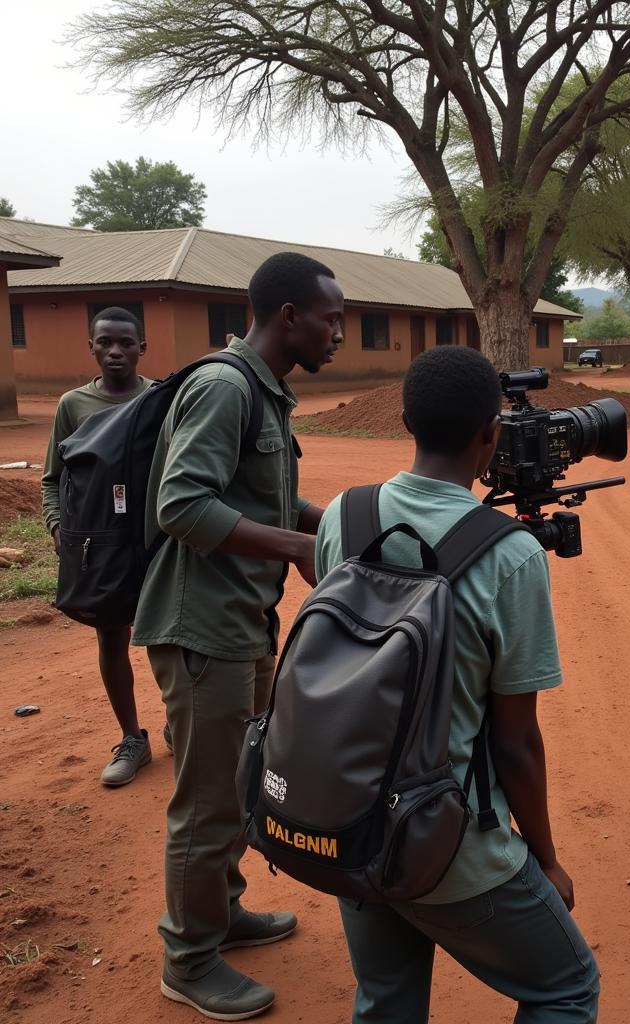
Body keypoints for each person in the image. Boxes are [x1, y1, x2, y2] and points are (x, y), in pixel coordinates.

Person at [315, 345, 600, 1023]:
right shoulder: (510, 554)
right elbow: (517, 742)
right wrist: (547, 861)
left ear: (406, 422)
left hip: (354, 824)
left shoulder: (341, 515)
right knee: (565, 988)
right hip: (451, 849)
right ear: (490, 433)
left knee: (386, 999)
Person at [132, 252, 342, 1020]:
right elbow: (181, 506)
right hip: (201, 628)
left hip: (243, 622)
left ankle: (221, 915)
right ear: (289, 316)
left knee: (241, 781)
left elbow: (267, 497)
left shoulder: (265, 393)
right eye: (332, 319)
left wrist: (342, 518)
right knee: (208, 800)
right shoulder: (225, 387)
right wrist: (297, 549)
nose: (340, 335)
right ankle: (187, 960)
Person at [41, 306, 154, 786]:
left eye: (125, 343)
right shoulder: (73, 406)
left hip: (154, 541)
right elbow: (53, 478)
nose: (115, 351)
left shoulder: (162, 400)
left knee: (172, 637)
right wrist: (55, 527)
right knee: (111, 635)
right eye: (105, 342)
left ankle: (180, 723)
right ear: (91, 346)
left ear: (141, 348)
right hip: (99, 544)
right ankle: (132, 738)